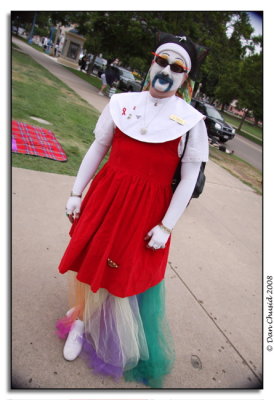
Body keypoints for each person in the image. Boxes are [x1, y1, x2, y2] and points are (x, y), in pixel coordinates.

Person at [56, 33, 208, 388]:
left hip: (145, 212)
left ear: (186, 77)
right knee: (91, 255)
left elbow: (188, 180)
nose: (166, 70)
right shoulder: (121, 103)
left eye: (177, 66)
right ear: (152, 61)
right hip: (105, 198)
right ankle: (80, 318)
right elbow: (98, 147)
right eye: (161, 60)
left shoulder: (191, 122)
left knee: (120, 268)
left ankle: (93, 319)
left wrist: (167, 226)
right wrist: (76, 192)